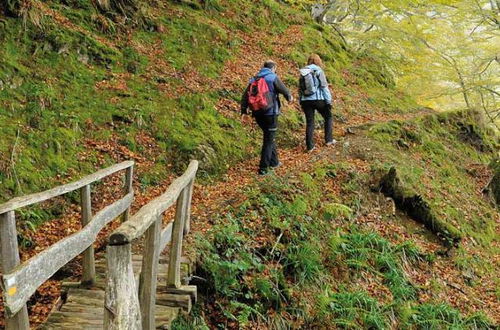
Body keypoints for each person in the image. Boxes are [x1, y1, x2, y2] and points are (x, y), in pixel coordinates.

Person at [241, 60, 293, 175]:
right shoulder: (272, 77)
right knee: (268, 140)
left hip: (258, 114)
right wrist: (289, 97)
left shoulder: (254, 79)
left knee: (269, 137)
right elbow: (285, 90)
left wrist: (243, 111)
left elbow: (245, 96)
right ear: (273, 68)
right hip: (270, 113)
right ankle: (263, 168)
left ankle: (274, 162)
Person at [299, 54, 335, 152]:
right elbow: (324, 87)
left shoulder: (303, 72)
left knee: (310, 122)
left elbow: (300, 88)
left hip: (305, 100)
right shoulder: (319, 71)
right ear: (318, 61)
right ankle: (329, 140)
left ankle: (310, 147)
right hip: (318, 99)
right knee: (328, 116)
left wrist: (301, 100)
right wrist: (328, 101)